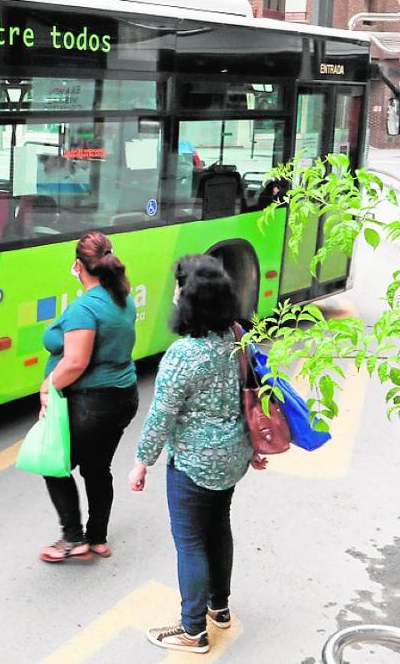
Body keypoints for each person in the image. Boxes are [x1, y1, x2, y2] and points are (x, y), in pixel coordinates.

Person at [128, 254, 265, 653]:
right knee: (219, 528)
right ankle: (218, 607)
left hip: (193, 463)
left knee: (190, 542)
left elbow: (160, 419)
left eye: (179, 287)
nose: (173, 293)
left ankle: (193, 630)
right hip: (233, 456)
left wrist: (141, 463)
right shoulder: (238, 335)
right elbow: (252, 396)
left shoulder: (183, 356)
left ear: (190, 300)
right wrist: (253, 448)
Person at [37, 231, 139, 563]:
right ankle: (97, 539)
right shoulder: (122, 298)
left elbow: (76, 362)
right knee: (97, 468)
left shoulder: (85, 307)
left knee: (54, 464)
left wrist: (47, 387)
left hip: (93, 402)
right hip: (123, 397)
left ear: (78, 265)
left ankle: (72, 539)